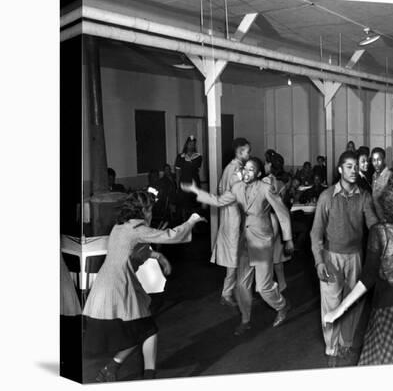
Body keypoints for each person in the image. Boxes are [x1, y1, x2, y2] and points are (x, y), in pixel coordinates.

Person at [82, 191, 205, 382]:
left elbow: (132, 251)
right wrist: (192, 221)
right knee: (146, 331)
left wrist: (158, 256)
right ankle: (143, 376)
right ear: (142, 210)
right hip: (119, 287)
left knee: (143, 331)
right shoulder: (138, 228)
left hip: (106, 285)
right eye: (150, 210)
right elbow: (169, 235)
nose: (151, 214)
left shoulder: (120, 226)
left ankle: (112, 369)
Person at [182, 157, 294, 335]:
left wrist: (288, 239)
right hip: (245, 241)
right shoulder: (237, 188)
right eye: (245, 169)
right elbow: (218, 201)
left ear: (258, 174)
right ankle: (245, 320)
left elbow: (282, 212)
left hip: (262, 241)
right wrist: (196, 190)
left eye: (251, 170)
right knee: (241, 285)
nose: (246, 173)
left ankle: (282, 305)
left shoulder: (265, 188)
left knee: (264, 287)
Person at [323, 177, 393, 365]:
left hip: (387, 308)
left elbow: (368, 278)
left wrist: (339, 309)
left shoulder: (380, 232)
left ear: (387, 204)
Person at [310, 151, 378, 367]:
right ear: (340, 169)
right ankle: (332, 347)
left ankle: (346, 342)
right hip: (331, 256)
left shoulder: (364, 196)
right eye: (349, 166)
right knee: (330, 303)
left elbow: (374, 226)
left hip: (355, 257)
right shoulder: (326, 197)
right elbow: (315, 233)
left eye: (356, 166)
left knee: (353, 302)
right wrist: (319, 261)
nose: (353, 170)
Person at [212, 138, 251, 307]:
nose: (249, 154)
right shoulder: (235, 170)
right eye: (247, 151)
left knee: (237, 256)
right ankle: (227, 294)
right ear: (240, 152)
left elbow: (220, 188)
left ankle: (234, 292)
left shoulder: (230, 168)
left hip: (231, 216)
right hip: (234, 218)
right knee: (234, 257)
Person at [263, 152, 293, 292]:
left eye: (266, 162)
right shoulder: (281, 182)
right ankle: (282, 283)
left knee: (264, 257)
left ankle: (266, 287)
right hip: (278, 222)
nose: (264, 165)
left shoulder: (267, 182)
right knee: (277, 256)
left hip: (268, 220)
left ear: (270, 165)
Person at [175, 135, 203, 221]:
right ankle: (184, 225)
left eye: (193, 144)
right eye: (190, 144)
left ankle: (194, 226)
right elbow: (177, 173)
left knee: (194, 206)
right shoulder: (180, 157)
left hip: (195, 185)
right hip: (184, 185)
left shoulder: (198, 157)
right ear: (186, 144)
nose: (191, 146)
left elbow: (196, 170)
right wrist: (177, 185)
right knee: (184, 207)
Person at [371, 147, 392, 221]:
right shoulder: (374, 176)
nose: (376, 164)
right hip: (377, 219)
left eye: (379, 160)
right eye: (374, 160)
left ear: (384, 160)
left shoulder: (390, 177)